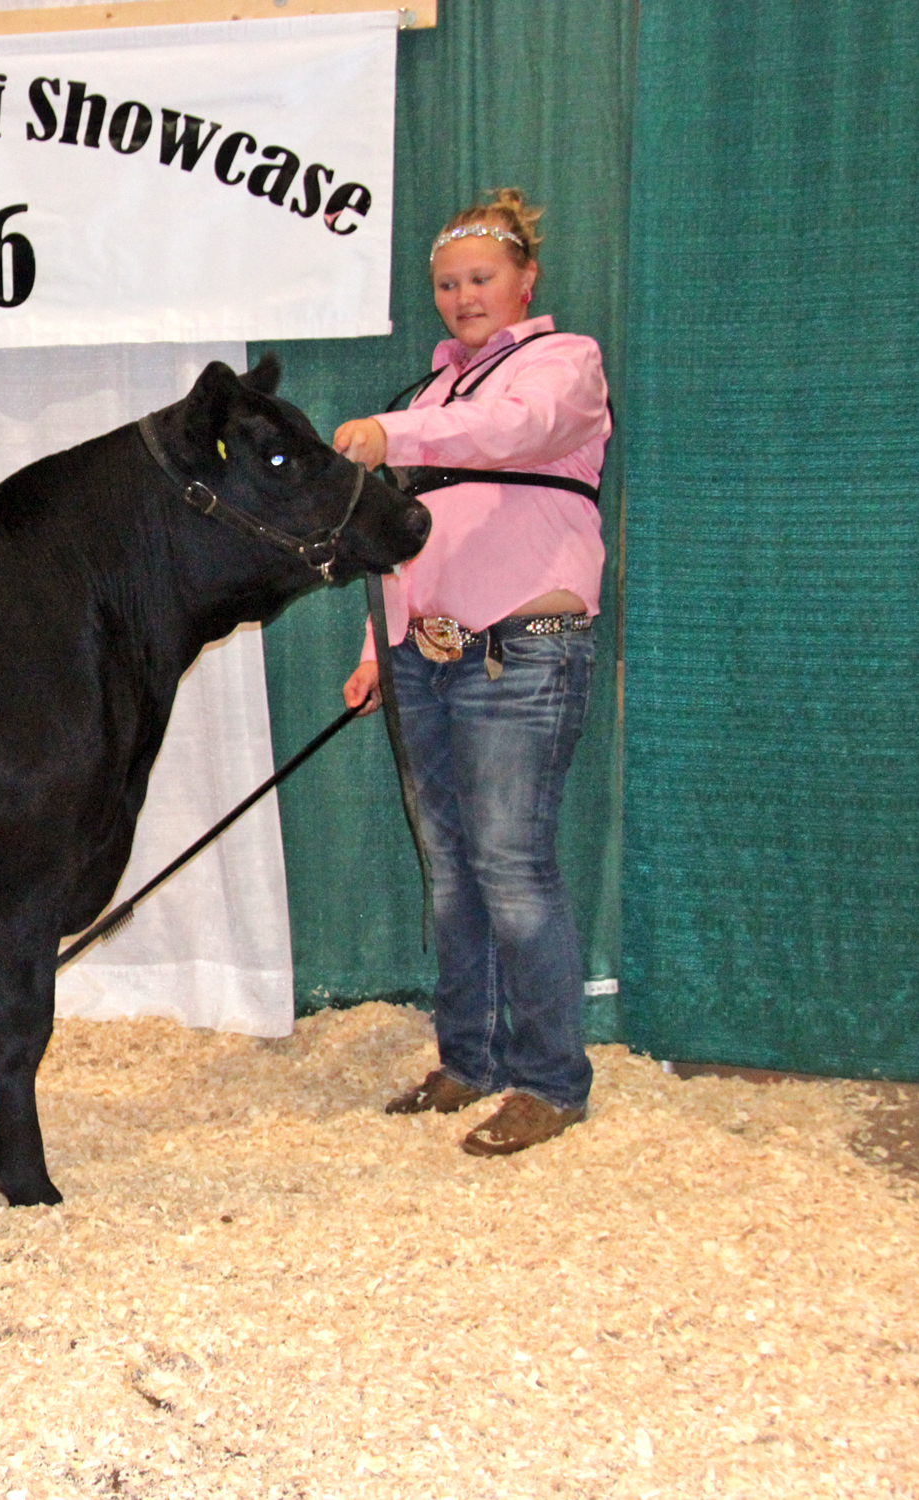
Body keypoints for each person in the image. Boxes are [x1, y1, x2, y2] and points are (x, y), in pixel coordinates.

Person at [332, 188, 609, 1157]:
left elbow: (516, 433)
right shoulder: (425, 393)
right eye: (447, 284)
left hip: (522, 651)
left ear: (526, 280)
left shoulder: (563, 365)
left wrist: (392, 436)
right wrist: (377, 650)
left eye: (481, 278)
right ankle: (469, 1058)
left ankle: (550, 1081)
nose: (462, 296)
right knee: (451, 870)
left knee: (512, 865)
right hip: (426, 654)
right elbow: (411, 537)